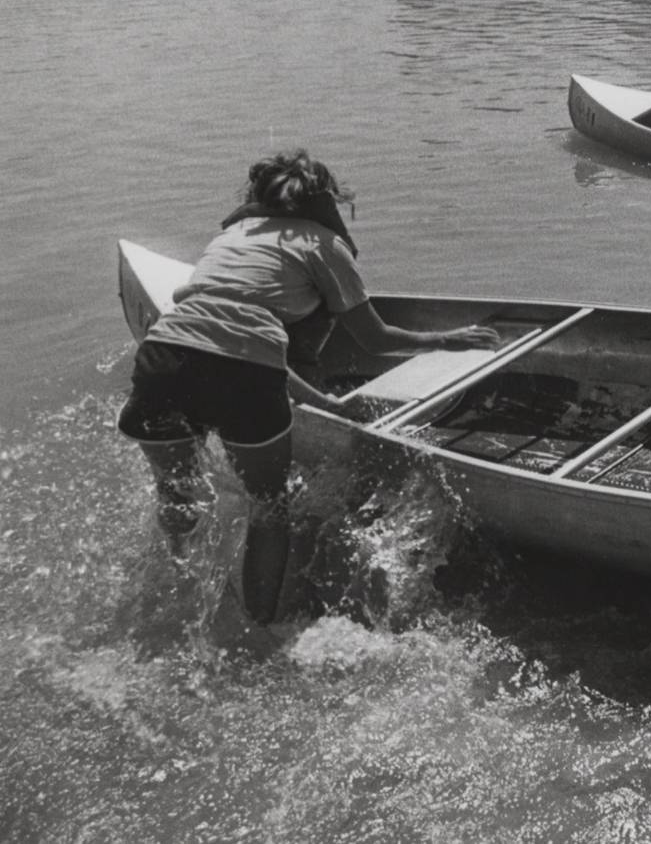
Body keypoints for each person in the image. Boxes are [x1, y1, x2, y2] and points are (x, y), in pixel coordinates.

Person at [117, 150, 499, 625]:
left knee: (177, 495)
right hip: (244, 372)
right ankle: (259, 627)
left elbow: (231, 339)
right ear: (328, 201)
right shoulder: (322, 244)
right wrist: (444, 338)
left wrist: (322, 404)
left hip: (161, 358)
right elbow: (372, 340)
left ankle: (174, 600)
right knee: (270, 506)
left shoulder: (233, 235)